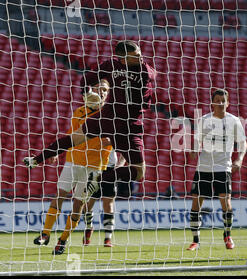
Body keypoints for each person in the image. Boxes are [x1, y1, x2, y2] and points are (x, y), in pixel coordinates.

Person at [23, 40, 157, 202]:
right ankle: (98, 178)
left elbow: (85, 80)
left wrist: (87, 94)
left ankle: (36, 160)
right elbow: (153, 74)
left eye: (140, 54)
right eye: (136, 56)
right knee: (139, 172)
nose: (141, 58)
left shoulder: (111, 64)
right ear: (123, 58)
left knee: (73, 139)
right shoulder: (144, 71)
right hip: (128, 126)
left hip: (105, 117)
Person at [31, 77, 112, 255]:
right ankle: (45, 234)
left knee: (78, 205)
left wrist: (108, 140)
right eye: (99, 88)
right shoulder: (79, 112)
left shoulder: (111, 115)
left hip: (95, 166)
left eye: (105, 90)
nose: (102, 92)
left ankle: (62, 241)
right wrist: (56, 152)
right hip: (73, 160)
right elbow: (71, 135)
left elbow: (113, 139)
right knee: (60, 195)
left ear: (109, 93)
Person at [186, 89, 247, 251]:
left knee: (226, 202)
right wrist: (194, 149)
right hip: (204, 168)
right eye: (217, 100)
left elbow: (243, 143)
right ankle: (196, 240)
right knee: (196, 203)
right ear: (212, 103)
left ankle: (227, 235)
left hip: (223, 167)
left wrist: (239, 159)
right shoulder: (205, 120)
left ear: (228, 103)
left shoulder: (234, 121)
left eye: (223, 101)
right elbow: (197, 139)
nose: (220, 103)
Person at [82, 150, 126, 248]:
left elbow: (124, 149)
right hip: (93, 169)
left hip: (110, 170)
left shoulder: (114, 136)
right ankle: (89, 227)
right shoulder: (93, 135)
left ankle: (107, 239)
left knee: (108, 205)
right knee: (87, 204)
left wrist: (120, 164)